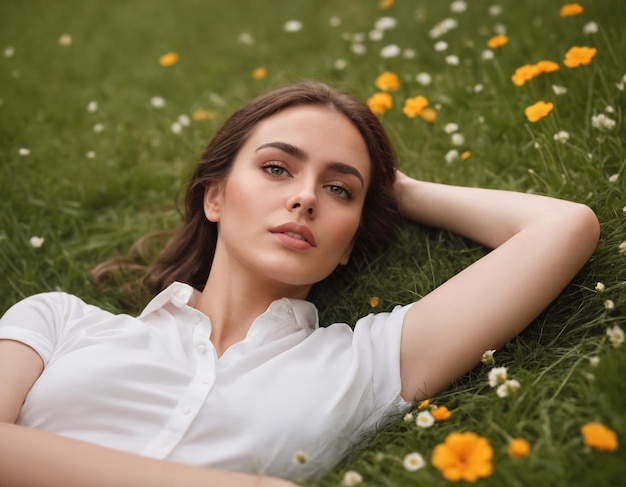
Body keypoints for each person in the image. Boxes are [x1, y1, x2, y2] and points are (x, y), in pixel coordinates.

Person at [0, 81, 599, 487]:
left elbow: (563, 226)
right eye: (276, 168)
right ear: (215, 195)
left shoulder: (365, 364)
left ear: (349, 246)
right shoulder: (58, 322)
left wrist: (399, 191)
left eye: (339, 189)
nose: (305, 196)